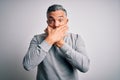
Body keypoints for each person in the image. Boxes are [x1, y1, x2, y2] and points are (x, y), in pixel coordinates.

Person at [23, 4, 90, 80]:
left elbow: (85, 67)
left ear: (66, 21)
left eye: (60, 20)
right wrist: (50, 40)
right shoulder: (37, 39)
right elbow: (27, 65)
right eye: (51, 20)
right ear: (47, 22)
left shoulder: (76, 38)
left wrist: (61, 44)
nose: (56, 25)